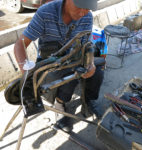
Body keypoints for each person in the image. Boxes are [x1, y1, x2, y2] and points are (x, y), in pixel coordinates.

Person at [14, 0, 104, 132]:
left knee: (98, 73)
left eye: (88, 8)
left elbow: (87, 44)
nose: (83, 12)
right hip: (50, 62)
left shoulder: (86, 16)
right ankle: (59, 104)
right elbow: (20, 44)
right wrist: (26, 74)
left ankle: (88, 100)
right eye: (80, 7)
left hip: (74, 58)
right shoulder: (45, 12)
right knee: (70, 77)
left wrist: (90, 64)